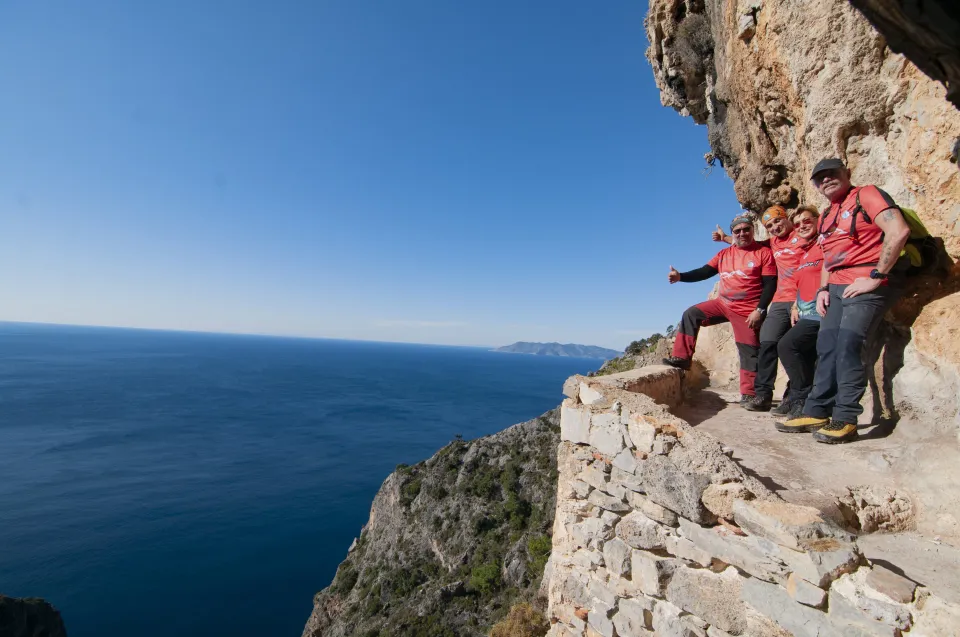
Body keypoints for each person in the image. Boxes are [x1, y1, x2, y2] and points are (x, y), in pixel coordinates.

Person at [782, 159, 911, 444]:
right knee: (826, 346)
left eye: (832, 174)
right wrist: (823, 289)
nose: (826, 180)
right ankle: (817, 411)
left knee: (849, 345)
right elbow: (829, 257)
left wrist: (876, 276)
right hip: (836, 287)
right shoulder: (827, 214)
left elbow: (898, 230)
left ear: (847, 173)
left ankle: (845, 418)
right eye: (820, 178)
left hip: (866, 281)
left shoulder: (866, 195)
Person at [663, 214, 778, 404]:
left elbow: (770, 284)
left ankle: (749, 393)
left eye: (746, 229)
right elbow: (704, 271)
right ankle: (682, 358)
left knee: (749, 350)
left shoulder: (763, 253)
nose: (742, 233)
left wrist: (760, 310)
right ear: (733, 233)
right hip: (722, 304)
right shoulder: (724, 254)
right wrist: (680, 276)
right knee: (691, 314)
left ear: (753, 230)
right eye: (738, 231)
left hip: (746, 310)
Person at [712, 205, 804, 413]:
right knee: (767, 342)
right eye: (769, 225)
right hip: (780, 300)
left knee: (797, 348)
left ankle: (795, 395)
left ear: (788, 218)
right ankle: (762, 395)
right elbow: (746, 243)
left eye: (778, 221)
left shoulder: (803, 236)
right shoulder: (772, 243)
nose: (775, 227)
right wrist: (725, 238)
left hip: (803, 298)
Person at [770, 206, 824, 424]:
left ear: (819, 220)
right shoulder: (806, 250)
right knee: (805, 354)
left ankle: (801, 399)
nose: (802, 226)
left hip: (821, 312)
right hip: (804, 311)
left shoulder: (825, 243)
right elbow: (803, 281)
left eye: (807, 221)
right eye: (798, 223)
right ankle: (795, 397)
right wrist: (795, 306)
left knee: (787, 346)